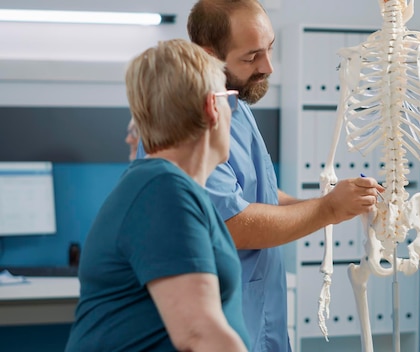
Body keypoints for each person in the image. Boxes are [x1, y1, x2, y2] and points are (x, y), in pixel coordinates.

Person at [137, 1, 384, 350]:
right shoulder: (189, 122)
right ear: (209, 55)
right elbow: (231, 222)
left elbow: (258, 194)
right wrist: (326, 210)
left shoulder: (236, 103)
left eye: (269, 50)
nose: (267, 67)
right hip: (220, 324)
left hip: (259, 317)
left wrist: (335, 206)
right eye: (251, 57)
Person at [65, 38, 248, 352]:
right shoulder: (163, 190)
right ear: (211, 107)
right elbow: (198, 334)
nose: (232, 113)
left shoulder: (167, 187)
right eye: (228, 99)